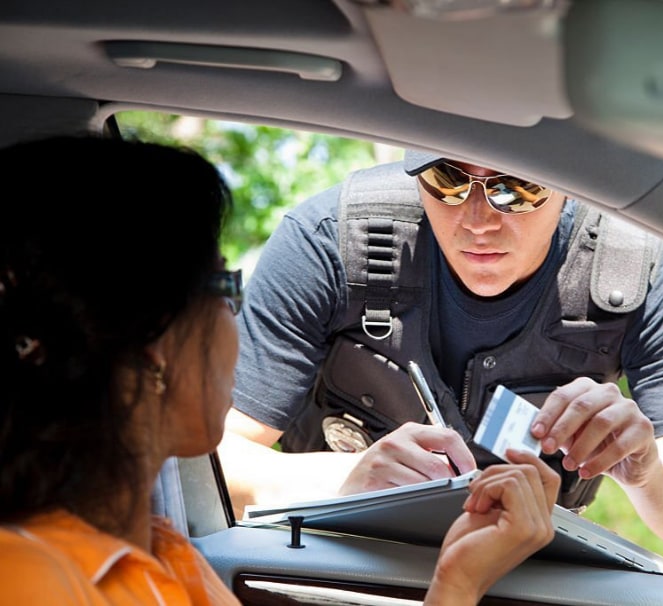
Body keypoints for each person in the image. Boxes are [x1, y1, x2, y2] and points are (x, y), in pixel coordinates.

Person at [0, 135, 560, 605]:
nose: (236, 317)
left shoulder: (161, 552)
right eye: (223, 285)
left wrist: (455, 581)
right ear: (152, 344)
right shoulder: (32, 578)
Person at [222, 150, 663, 556]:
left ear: (572, 181)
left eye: (516, 187)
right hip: (339, 562)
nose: (478, 221)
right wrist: (344, 480)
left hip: (528, 580)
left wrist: (648, 475)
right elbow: (202, 464)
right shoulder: (329, 241)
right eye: (446, 180)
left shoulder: (651, 272)